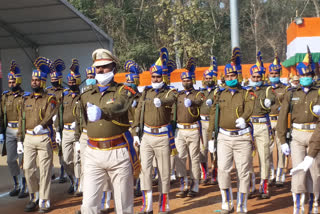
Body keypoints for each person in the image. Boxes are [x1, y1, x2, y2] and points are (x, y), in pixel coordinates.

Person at [80, 48, 139, 214]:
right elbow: (83, 120)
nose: (100, 70)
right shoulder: (86, 95)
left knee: (123, 203)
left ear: (113, 68)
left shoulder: (124, 91)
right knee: (89, 203)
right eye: (97, 67)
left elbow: (120, 105)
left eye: (105, 66)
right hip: (93, 152)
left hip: (117, 151)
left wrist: (103, 112)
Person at [207, 47, 254, 214]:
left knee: (243, 172)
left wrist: (245, 118)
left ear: (238, 76)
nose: (230, 78)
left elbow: (250, 107)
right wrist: (210, 138)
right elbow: (213, 115)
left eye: (233, 75)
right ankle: (227, 203)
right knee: (223, 171)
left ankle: (242, 205)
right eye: (227, 76)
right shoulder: (219, 94)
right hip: (224, 137)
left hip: (242, 138)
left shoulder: (246, 93)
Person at [133, 47, 177, 214]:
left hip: (163, 136)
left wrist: (163, 101)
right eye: (153, 76)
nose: (156, 78)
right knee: (145, 171)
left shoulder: (170, 91)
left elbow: (172, 99)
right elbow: (138, 111)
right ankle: (147, 205)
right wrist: (136, 130)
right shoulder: (146, 92)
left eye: (158, 76)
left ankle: (164, 205)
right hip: (147, 136)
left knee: (164, 173)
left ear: (163, 77)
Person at [277, 47, 320, 214]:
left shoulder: (318, 92)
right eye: (302, 75)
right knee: (298, 171)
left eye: (308, 75)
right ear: (298, 76)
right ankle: (299, 206)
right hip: (296, 135)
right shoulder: (291, 93)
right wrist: (282, 141)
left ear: (313, 76)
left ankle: (315, 202)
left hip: (315, 134)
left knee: (315, 172)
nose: (305, 78)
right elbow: (282, 118)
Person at [17, 57, 58, 212]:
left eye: (37, 80)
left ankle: (44, 199)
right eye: (33, 80)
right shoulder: (26, 99)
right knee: (27, 168)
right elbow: (22, 119)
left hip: (43, 138)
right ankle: (33, 196)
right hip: (28, 138)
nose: (34, 82)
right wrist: (20, 139)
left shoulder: (50, 98)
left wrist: (41, 126)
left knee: (45, 170)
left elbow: (50, 114)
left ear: (43, 82)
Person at [248, 51, 275, 199]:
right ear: (250, 77)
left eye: (259, 77)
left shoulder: (267, 89)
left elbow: (272, 98)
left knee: (264, 157)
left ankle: (264, 187)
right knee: (248, 157)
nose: (257, 79)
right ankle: (252, 186)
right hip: (249, 127)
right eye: (254, 77)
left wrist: (268, 101)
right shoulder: (247, 90)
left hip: (263, 126)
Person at [175, 58, 203, 198]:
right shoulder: (178, 95)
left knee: (194, 158)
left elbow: (200, 102)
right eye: (184, 80)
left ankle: (195, 184)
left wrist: (191, 102)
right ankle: (183, 183)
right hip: (180, 130)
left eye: (189, 80)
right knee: (179, 157)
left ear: (192, 80)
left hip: (193, 130)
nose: (186, 82)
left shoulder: (197, 94)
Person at [0, 61, 28, 198]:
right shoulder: (5, 97)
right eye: (9, 82)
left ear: (18, 81)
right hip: (9, 131)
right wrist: (1, 132)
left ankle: (25, 185)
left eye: (13, 81)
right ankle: (16, 184)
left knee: (23, 160)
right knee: (10, 160)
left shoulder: (25, 96)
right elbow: (1, 115)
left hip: (21, 131)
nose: (11, 84)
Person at [59, 59, 82, 195]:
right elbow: (59, 112)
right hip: (66, 131)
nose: (72, 83)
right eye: (70, 81)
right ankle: (73, 179)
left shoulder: (82, 96)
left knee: (77, 159)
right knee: (66, 160)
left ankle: (79, 183)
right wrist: (57, 130)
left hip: (77, 132)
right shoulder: (65, 96)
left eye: (74, 81)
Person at [268, 53, 290, 187]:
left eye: (276, 73)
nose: (274, 75)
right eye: (271, 73)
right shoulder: (266, 89)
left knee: (281, 149)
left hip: (280, 121)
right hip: (268, 121)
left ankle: (280, 175)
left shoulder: (286, 89)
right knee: (268, 149)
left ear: (279, 73)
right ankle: (271, 173)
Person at [46, 59, 67, 183]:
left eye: (56, 79)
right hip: (48, 124)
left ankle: (63, 172)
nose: (53, 81)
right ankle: (51, 171)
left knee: (60, 150)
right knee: (47, 149)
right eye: (52, 79)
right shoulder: (47, 90)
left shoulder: (65, 92)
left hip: (60, 123)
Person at [199, 56, 218, 185]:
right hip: (202, 122)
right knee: (202, 149)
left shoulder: (218, 91)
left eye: (210, 78)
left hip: (213, 123)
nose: (208, 80)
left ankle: (215, 173)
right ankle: (204, 173)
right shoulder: (201, 92)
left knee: (214, 149)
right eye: (206, 78)